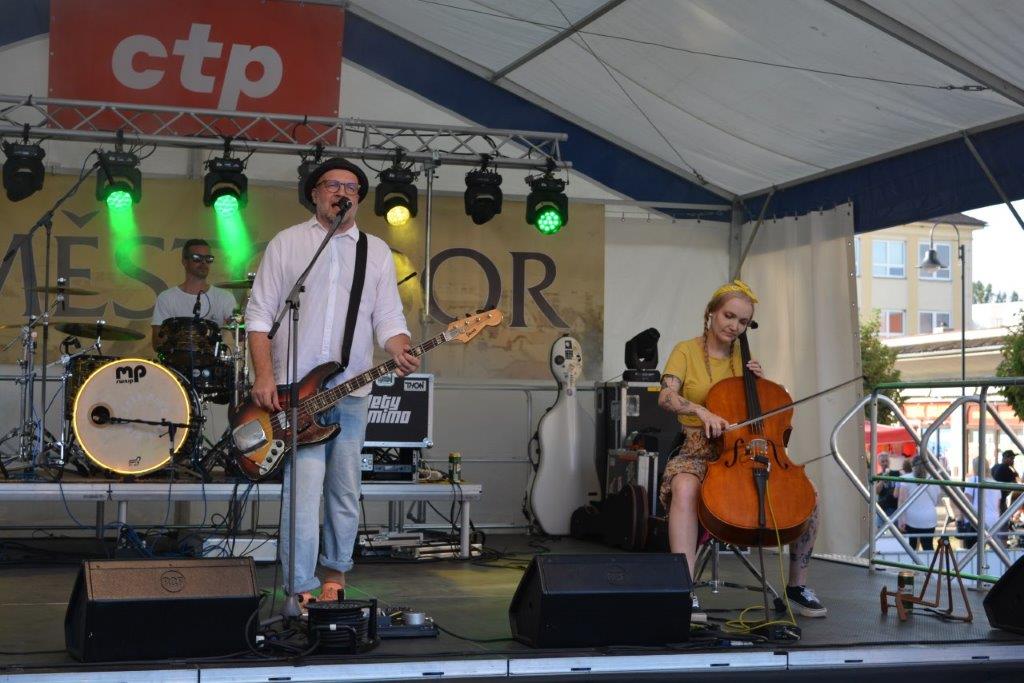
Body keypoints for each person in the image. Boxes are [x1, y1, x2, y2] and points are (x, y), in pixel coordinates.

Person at [245, 157, 419, 606]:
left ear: (358, 198)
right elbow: (260, 315)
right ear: (315, 193)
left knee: (344, 490)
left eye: (352, 187)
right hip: (295, 394)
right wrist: (265, 374)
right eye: (333, 185)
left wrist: (399, 346)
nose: (343, 192)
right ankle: (298, 587)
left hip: (352, 390)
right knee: (303, 493)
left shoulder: (375, 251)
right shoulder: (288, 243)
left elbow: (388, 317)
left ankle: (335, 575)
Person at [657, 280, 827, 622]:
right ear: (711, 313)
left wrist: (762, 384)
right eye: (729, 316)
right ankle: (683, 588)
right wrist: (701, 410)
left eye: (743, 321)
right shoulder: (686, 351)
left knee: (809, 494)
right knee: (685, 486)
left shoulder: (746, 362)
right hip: (697, 447)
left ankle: (797, 586)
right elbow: (666, 396)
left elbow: (766, 414)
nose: (735, 326)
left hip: (745, 450)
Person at [151, 238, 237, 351]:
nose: (203, 262)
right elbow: (157, 344)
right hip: (177, 360)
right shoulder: (167, 297)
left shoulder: (224, 297)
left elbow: (239, 336)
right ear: (184, 261)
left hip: (214, 360)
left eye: (208, 259)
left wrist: (238, 322)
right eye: (197, 258)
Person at [896, 456, 940, 552]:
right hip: (929, 517)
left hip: (911, 518)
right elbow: (936, 501)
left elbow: (901, 501)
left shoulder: (905, 479)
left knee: (911, 547)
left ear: (912, 466)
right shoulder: (934, 479)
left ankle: (912, 562)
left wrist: (900, 520)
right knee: (928, 547)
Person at [991, 450, 1020, 516]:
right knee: (1004, 518)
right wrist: (1013, 467)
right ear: (1006, 458)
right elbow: (1017, 482)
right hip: (1001, 499)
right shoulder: (1007, 469)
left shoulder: (995, 466)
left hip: (993, 498)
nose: (1013, 461)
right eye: (1011, 458)